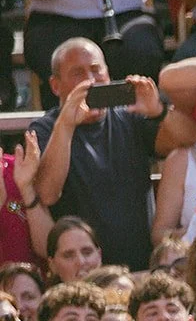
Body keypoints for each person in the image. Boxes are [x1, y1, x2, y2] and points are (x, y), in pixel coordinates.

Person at [30, 41, 172, 271]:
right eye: (78, 73)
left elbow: (179, 143)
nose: (90, 80)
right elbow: (46, 193)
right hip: (82, 273)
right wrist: (66, 124)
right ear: (56, 86)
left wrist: (158, 111)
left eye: (96, 70)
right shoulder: (45, 129)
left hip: (139, 270)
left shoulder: (130, 116)